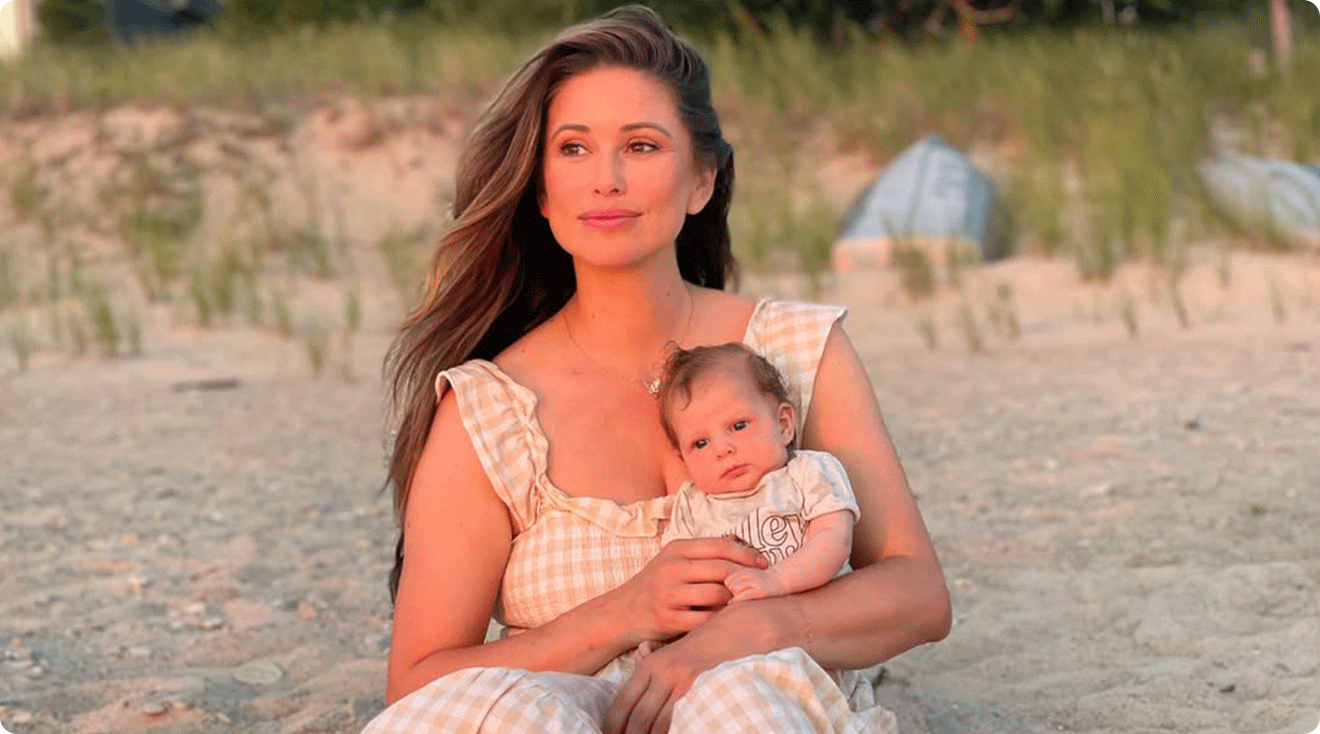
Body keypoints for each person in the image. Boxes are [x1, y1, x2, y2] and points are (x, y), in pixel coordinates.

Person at [365, 5, 951, 734]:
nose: (606, 179)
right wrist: (623, 612)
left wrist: (747, 632)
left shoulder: (797, 350)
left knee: (735, 705)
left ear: (701, 179)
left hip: (756, 701)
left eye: (641, 146)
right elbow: (418, 689)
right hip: (568, 712)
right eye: (573, 149)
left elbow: (919, 594)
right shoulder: (491, 410)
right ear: (542, 192)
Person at [655, 343, 857, 605]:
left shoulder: (807, 472)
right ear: (684, 460)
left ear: (783, 425)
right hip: (731, 635)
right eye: (701, 443)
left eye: (738, 426)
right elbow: (676, 579)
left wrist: (775, 580)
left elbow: (835, 539)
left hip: (814, 618)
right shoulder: (691, 508)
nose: (723, 449)